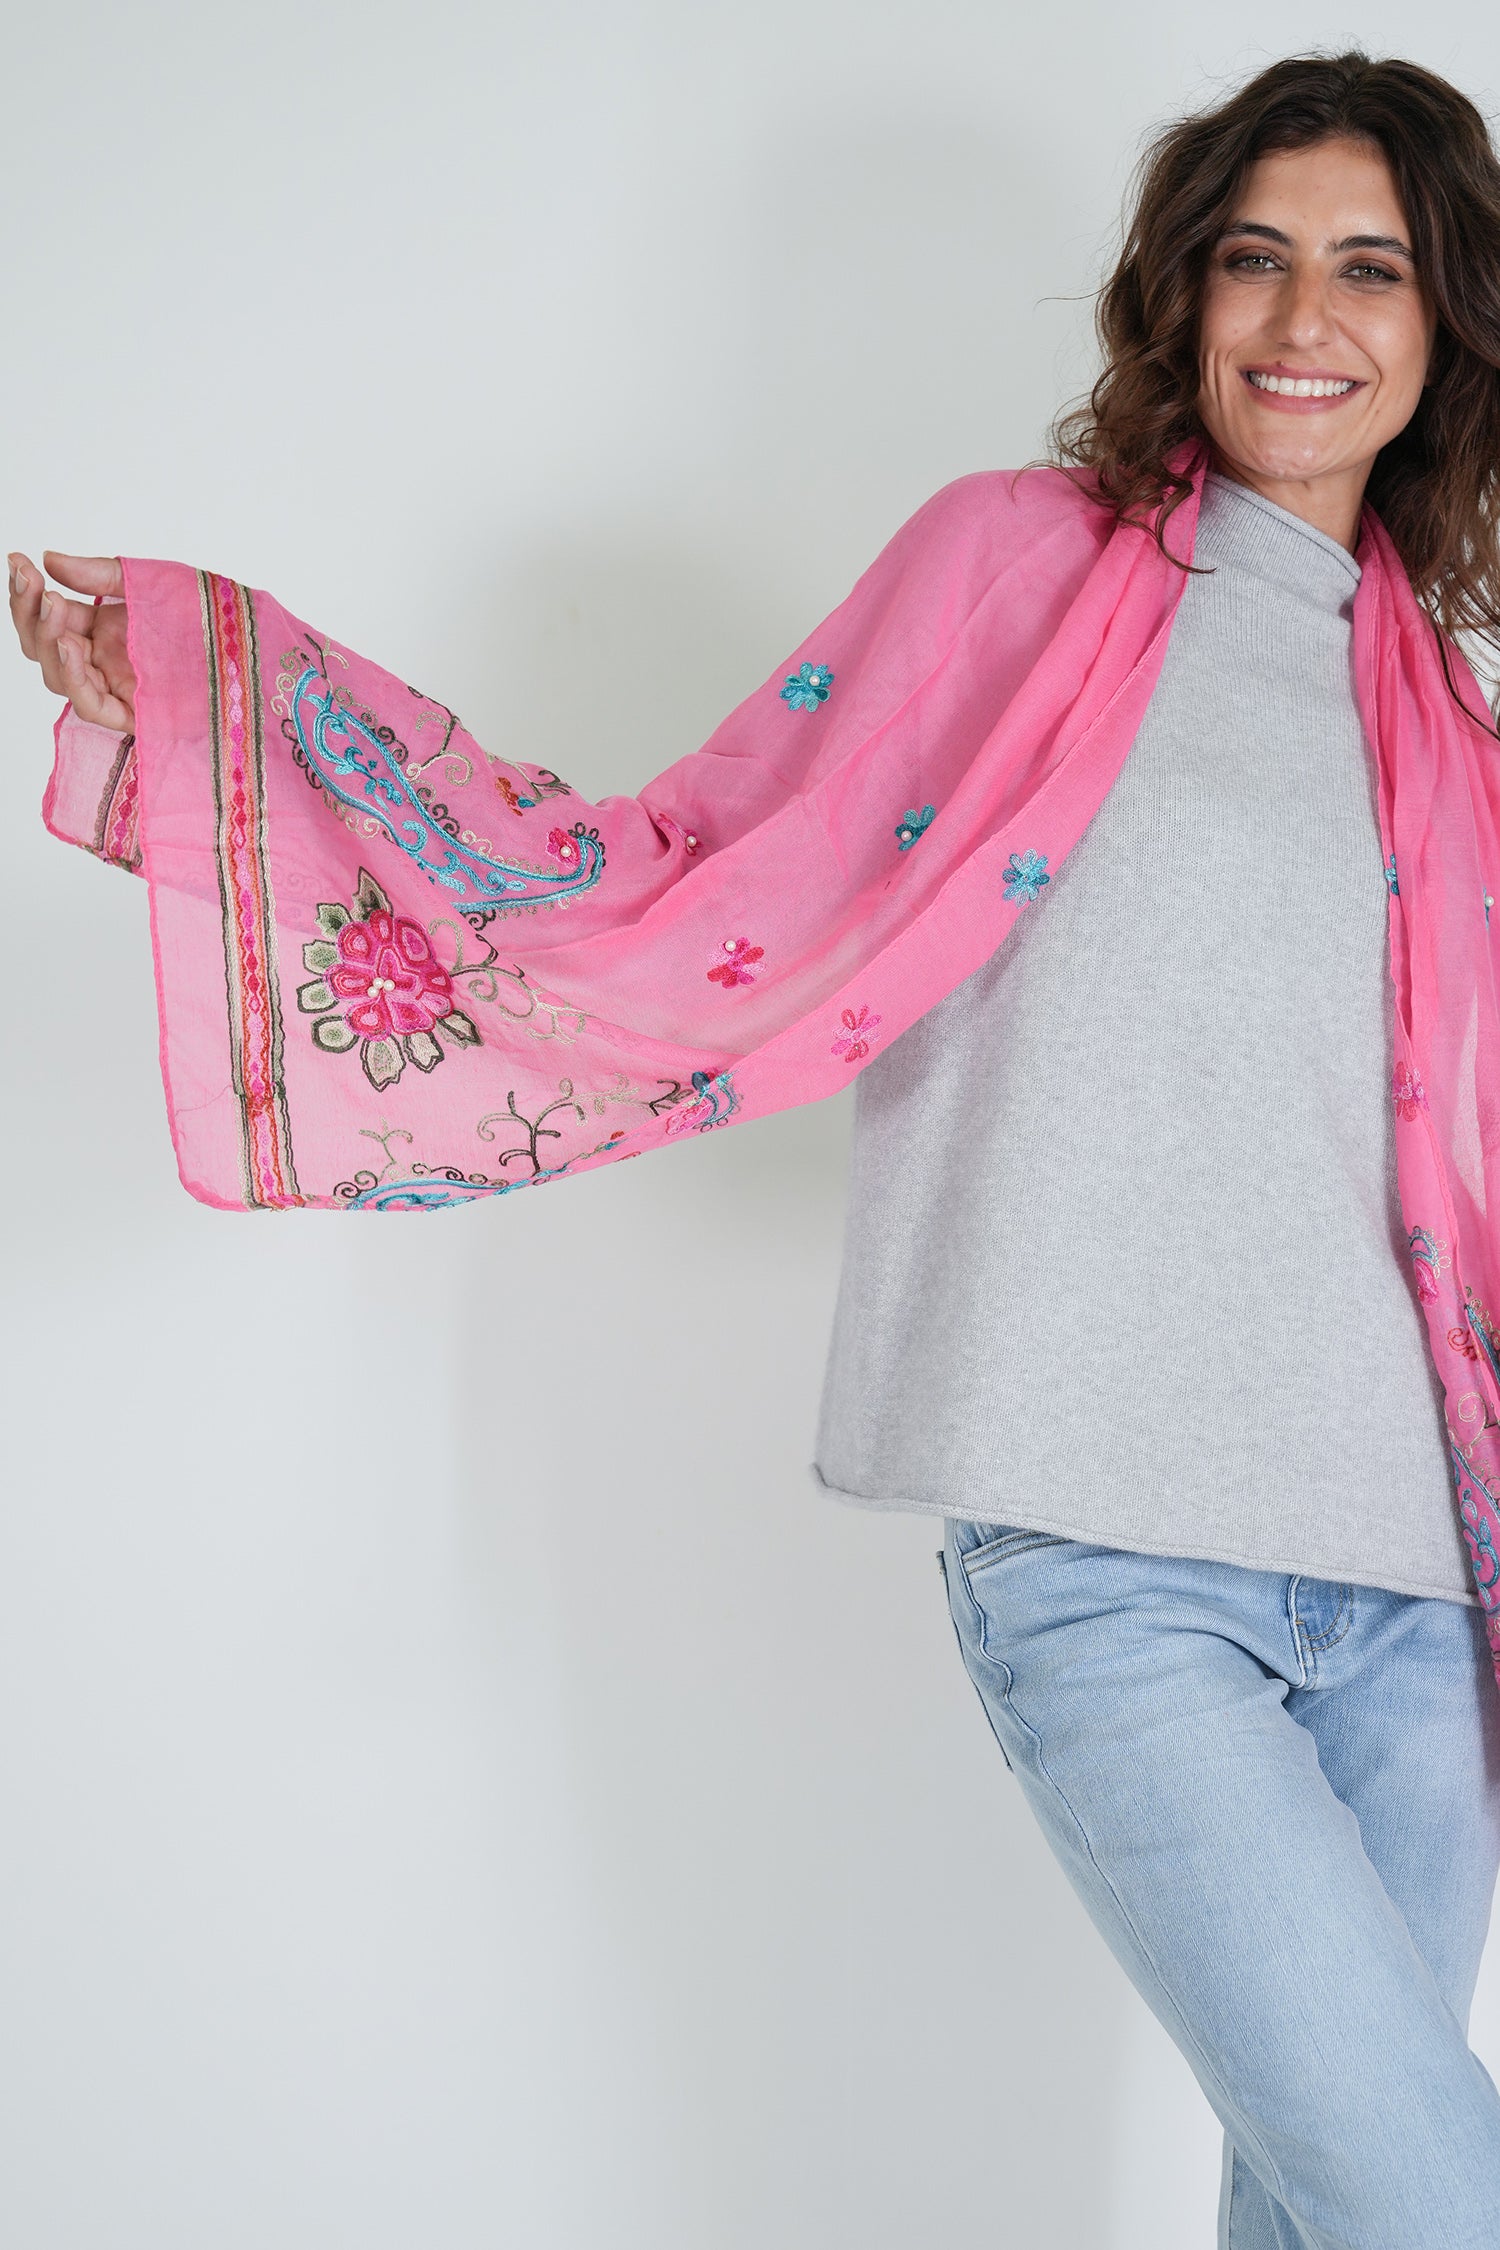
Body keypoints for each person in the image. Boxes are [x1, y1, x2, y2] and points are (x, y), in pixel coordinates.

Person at [12, 45, 1500, 2250]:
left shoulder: (1446, 715)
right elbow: (667, 882)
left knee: (1337, 2209)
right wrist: (247, 692)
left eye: (1371, 268)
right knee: (1427, 2194)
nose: (1307, 317)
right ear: (1184, 300)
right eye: (1256, 258)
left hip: (1408, 1589)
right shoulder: (1020, 569)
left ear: (1444, 326)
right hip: (1105, 1560)